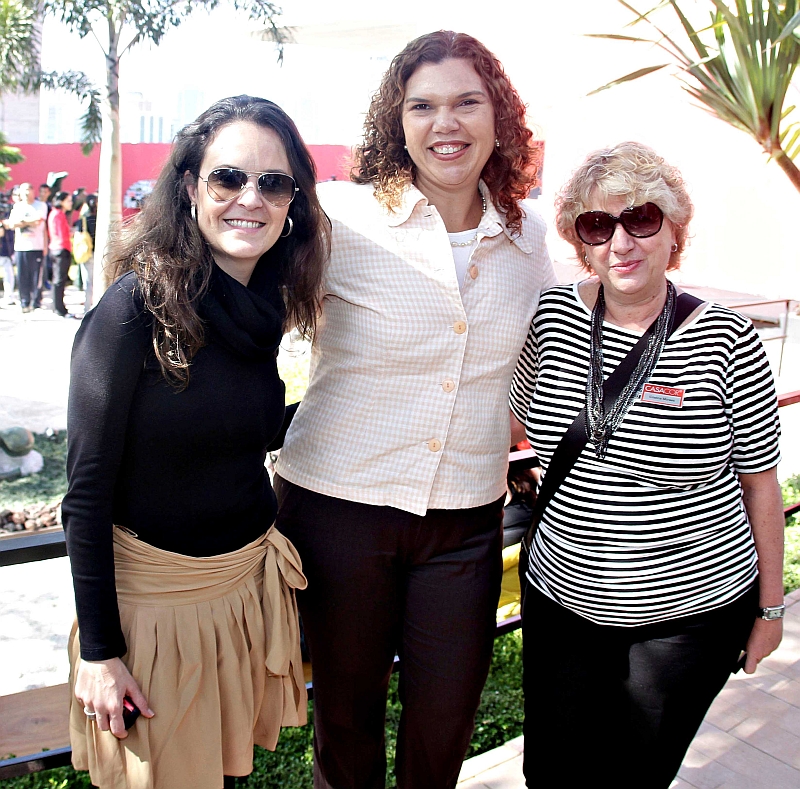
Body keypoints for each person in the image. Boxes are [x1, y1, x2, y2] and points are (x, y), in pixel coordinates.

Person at [275, 30, 557, 789]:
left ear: (498, 114)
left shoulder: (531, 241)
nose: (447, 123)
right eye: (423, 105)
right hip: (338, 512)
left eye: (468, 101)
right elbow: (243, 314)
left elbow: (543, 375)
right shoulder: (338, 217)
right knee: (346, 719)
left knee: (445, 723)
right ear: (396, 123)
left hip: (464, 518)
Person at [61, 95, 330, 789]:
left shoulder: (260, 306)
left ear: (293, 201)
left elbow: (238, 430)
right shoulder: (132, 309)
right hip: (154, 619)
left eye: (274, 183)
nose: (251, 198)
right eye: (229, 178)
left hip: (239, 599)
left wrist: (349, 400)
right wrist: (99, 651)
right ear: (190, 188)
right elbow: (84, 493)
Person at [509, 141, 784, 789]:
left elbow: (761, 485)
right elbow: (520, 418)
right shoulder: (553, 316)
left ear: (673, 231)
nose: (621, 242)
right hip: (562, 600)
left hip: (687, 616)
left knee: (635, 775)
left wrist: (770, 612)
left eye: (642, 219)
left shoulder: (727, 338)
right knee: (551, 770)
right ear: (582, 241)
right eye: (598, 226)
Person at [7, 182, 48, 312]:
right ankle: (25, 302)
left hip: (36, 246)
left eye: (27, 190)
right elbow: (12, 224)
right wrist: (27, 221)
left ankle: (36, 302)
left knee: (36, 276)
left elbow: (39, 221)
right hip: (21, 246)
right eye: (22, 191)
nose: (25, 193)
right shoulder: (17, 207)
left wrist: (22, 222)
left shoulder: (40, 205)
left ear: (32, 190)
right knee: (22, 275)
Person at [47, 191, 73, 316]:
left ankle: (57, 307)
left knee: (58, 280)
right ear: (61, 201)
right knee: (59, 280)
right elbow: (62, 234)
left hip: (57, 248)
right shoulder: (58, 214)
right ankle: (59, 308)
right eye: (68, 201)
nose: (71, 203)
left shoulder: (56, 214)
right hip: (61, 249)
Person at [73, 193, 97, 308]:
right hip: (101, 253)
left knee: (88, 283)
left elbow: (77, 237)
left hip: (87, 252)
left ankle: (87, 308)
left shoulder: (83, 221)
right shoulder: (104, 219)